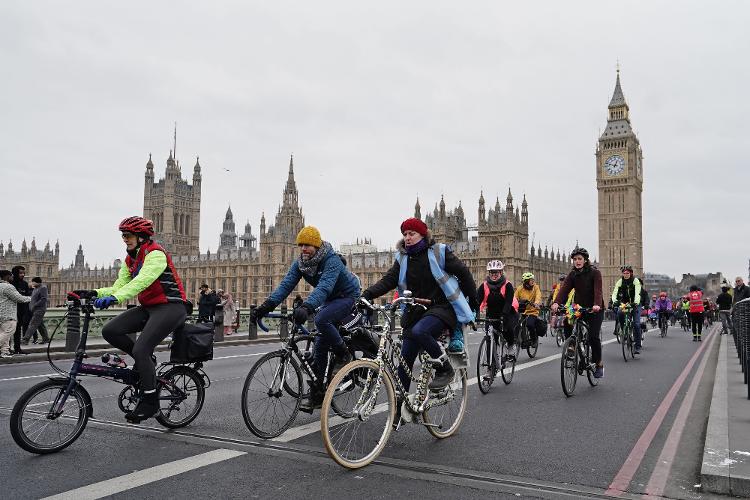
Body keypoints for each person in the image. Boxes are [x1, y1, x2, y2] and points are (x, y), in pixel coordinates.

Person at [362, 218, 477, 395]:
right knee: (405, 358)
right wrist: (367, 294)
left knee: (420, 332)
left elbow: (464, 273)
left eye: (412, 233)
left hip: (441, 308)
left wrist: (473, 302)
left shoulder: (439, 252)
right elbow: (389, 280)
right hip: (415, 311)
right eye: (405, 234)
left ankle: (444, 368)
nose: (407, 237)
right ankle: (399, 406)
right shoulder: (402, 257)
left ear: (422, 235)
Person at [254, 226, 361, 413]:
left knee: (321, 319)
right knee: (319, 344)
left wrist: (307, 307)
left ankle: (344, 355)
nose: (303, 249)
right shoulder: (301, 263)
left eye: (308, 245)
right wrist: (266, 306)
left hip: (347, 296)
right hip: (330, 299)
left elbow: (324, 287)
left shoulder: (331, 260)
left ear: (317, 246)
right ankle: (318, 394)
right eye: (301, 245)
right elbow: (285, 285)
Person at [94, 216, 188, 422]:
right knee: (110, 330)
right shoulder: (131, 259)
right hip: (150, 307)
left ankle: (150, 402)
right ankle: (146, 361)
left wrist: (116, 298)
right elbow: (119, 285)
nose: (124, 239)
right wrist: (94, 293)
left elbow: (144, 280)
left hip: (171, 307)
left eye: (128, 236)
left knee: (140, 349)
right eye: (123, 236)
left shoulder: (155, 254)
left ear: (141, 237)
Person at [551, 247, 605, 377]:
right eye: (575, 259)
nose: (577, 261)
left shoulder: (595, 273)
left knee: (593, 337)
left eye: (579, 259)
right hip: (579, 307)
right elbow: (564, 290)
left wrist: (597, 305)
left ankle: (599, 364)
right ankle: (572, 346)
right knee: (567, 322)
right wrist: (557, 302)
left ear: (585, 260)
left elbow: (598, 290)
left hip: (594, 309)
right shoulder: (572, 274)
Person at [477, 260, 518, 359]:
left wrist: (504, 316)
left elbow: (508, 302)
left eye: (496, 272)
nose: (494, 275)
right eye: (492, 272)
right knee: (490, 339)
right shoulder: (484, 286)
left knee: (508, 329)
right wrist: (473, 314)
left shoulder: (507, 285)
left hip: (508, 311)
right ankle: (491, 366)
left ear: (501, 273)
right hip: (492, 313)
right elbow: (477, 300)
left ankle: (511, 346)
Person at [611, 265, 644, 355]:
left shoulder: (635, 281)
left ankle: (637, 346)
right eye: (624, 273)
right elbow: (614, 293)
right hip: (625, 304)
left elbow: (638, 293)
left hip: (635, 304)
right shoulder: (620, 281)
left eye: (627, 273)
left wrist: (636, 303)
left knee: (637, 324)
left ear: (631, 273)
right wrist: (615, 302)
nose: (625, 274)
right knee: (619, 313)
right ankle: (624, 330)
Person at [0, 269, 32, 358]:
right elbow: (19, 298)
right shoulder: (8, 287)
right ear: (7, 277)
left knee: (4, 334)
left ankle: (4, 352)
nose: (12, 277)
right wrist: (31, 298)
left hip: (1, 314)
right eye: (11, 276)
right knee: (8, 332)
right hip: (8, 314)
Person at [515, 272, 544, 347]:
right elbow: (514, 298)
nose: (533, 281)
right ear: (526, 281)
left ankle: (534, 339)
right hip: (522, 310)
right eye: (531, 280)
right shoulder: (520, 288)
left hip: (533, 311)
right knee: (517, 323)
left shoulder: (536, 287)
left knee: (530, 324)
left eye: (533, 279)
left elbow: (538, 295)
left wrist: (536, 303)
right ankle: (521, 340)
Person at [22, 277, 50, 345]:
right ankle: (46, 339)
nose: (32, 283)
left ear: (37, 282)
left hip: (40, 309)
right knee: (40, 325)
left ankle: (26, 339)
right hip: (34, 310)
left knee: (33, 324)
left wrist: (35, 305)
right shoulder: (35, 288)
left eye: (33, 282)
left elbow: (44, 299)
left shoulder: (43, 288)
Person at [10, 265, 31, 355]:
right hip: (10, 311)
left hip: (21, 311)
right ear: (15, 273)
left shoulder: (25, 284)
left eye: (23, 273)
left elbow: (26, 297)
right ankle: (6, 349)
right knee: (8, 332)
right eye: (20, 273)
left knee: (18, 331)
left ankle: (17, 348)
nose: (22, 275)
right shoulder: (10, 284)